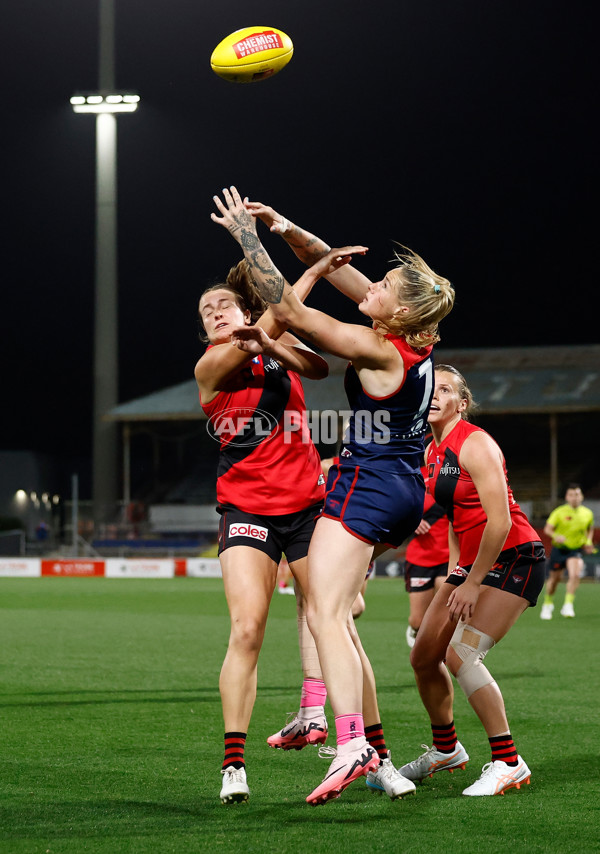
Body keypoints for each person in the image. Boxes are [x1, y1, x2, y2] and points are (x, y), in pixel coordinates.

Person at [211, 186, 455, 805]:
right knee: (337, 618)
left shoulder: (376, 345)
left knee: (323, 614)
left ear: (395, 313)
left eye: (382, 288)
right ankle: (369, 749)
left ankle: (349, 743)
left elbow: (290, 312)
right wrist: (286, 225)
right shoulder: (410, 337)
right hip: (394, 484)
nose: (369, 286)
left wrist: (246, 234)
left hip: (368, 485)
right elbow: (334, 264)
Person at [195, 257, 330, 805]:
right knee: (248, 629)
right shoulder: (209, 368)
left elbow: (313, 358)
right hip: (247, 509)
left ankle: (361, 746)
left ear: (244, 310)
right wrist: (313, 271)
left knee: (335, 620)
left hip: (307, 507)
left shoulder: (278, 353)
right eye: (206, 312)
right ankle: (233, 764)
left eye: (223, 304)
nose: (215, 313)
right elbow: (280, 312)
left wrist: (308, 283)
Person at [399, 365, 546, 796]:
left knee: (461, 654)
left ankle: (508, 761)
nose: (434, 395)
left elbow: (499, 523)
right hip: (473, 563)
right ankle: (447, 751)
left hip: (515, 556)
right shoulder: (431, 450)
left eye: (445, 390)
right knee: (424, 657)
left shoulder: (475, 443)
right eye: (431, 388)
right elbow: (453, 522)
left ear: (461, 404)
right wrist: (454, 574)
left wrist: (473, 581)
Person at [403, 466, 449, 648]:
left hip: (449, 556)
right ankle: (415, 629)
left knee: (448, 612)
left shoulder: (458, 472)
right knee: (417, 621)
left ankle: (443, 655)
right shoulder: (413, 474)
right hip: (420, 558)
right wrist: (411, 521)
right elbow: (398, 507)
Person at [540, 484, 595, 619]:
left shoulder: (587, 513)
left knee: (575, 575)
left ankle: (568, 605)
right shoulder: (559, 512)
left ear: (581, 496)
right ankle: (548, 603)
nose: (574, 498)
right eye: (571, 495)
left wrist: (588, 541)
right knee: (554, 580)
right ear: (566, 497)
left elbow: (590, 529)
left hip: (575, 550)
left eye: (577, 495)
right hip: (559, 550)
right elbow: (548, 529)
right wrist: (555, 536)